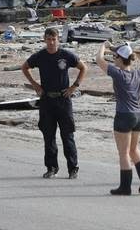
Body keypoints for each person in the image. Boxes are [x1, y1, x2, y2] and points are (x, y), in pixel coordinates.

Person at [22, 27, 87, 179]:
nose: (51, 42)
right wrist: (35, 84)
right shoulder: (40, 56)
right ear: (44, 39)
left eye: (54, 39)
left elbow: (83, 67)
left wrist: (74, 87)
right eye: (48, 39)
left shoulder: (66, 55)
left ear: (58, 40)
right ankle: (51, 168)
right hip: (46, 101)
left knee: (67, 136)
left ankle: (73, 168)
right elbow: (24, 67)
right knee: (48, 136)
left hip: (63, 100)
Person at [96, 41, 140, 196]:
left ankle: (125, 186)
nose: (114, 59)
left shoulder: (118, 73)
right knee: (134, 149)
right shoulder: (138, 73)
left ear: (119, 59)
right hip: (139, 115)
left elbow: (99, 60)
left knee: (123, 152)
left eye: (115, 57)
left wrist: (103, 46)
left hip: (124, 115)